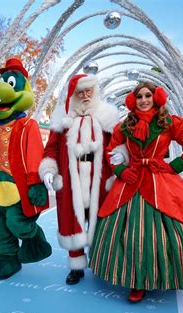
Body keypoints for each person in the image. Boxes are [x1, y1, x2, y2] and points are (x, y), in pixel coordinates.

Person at [89, 82, 183, 302]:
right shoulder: (124, 126)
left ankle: (165, 275)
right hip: (131, 180)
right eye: (139, 96)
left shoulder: (168, 123)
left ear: (156, 98)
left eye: (148, 95)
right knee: (130, 233)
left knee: (170, 228)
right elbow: (110, 150)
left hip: (160, 180)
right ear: (133, 100)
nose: (144, 100)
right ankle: (137, 282)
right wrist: (120, 169)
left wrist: (175, 166)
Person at [39, 74, 127, 285]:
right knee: (73, 222)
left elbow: (119, 143)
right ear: (74, 95)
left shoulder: (107, 117)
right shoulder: (62, 119)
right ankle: (76, 267)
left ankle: (101, 262)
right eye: (81, 92)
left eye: (89, 91)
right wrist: (49, 169)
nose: (86, 96)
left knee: (102, 221)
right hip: (71, 179)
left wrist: (121, 155)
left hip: (101, 178)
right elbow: (51, 147)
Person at [0, 58, 52, 280]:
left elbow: (35, 155)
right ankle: (7, 255)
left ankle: (34, 238)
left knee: (17, 222)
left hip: (19, 186)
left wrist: (36, 183)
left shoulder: (28, 125)